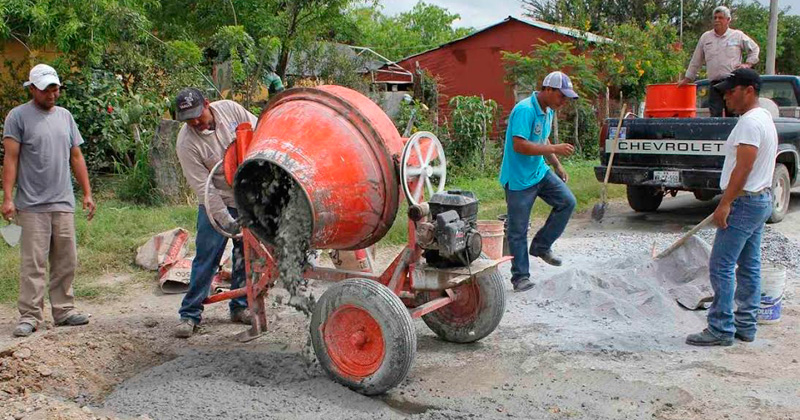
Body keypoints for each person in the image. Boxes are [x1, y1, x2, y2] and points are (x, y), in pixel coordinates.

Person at [2, 64, 95, 337]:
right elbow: (11, 159)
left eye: (55, 89)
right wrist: (8, 198)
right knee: (33, 263)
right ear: (32, 89)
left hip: (63, 201)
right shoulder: (18, 117)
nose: (52, 94)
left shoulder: (65, 116)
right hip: (31, 204)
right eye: (46, 90)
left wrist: (87, 193)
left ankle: (64, 310)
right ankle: (30, 315)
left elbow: (76, 156)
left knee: (66, 260)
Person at [686, 68, 776, 346]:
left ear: (749, 91)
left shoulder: (750, 123)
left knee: (721, 265)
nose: (726, 97)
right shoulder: (763, 117)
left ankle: (721, 328)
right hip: (759, 199)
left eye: (731, 91)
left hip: (744, 201)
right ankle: (745, 326)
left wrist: (725, 203)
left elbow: (744, 168)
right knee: (749, 265)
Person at [173, 88, 258, 338]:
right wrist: (227, 221)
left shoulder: (231, 110)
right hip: (216, 200)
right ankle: (190, 314)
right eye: (188, 119)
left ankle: (239, 307)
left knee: (245, 254)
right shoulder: (186, 144)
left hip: (246, 195)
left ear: (207, 104)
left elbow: (259, 132)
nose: (195, 123)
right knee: (207, 258)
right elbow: (205, 189)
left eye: (198, 115)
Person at [499, 71, 578, 293]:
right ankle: (520, 277)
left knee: (567, 202)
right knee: (517, 229)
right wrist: (555, 149)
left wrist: (556, 164)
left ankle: (541, 246)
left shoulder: (548, 111)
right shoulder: (525, 110)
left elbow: (542, 138)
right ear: (548, 90)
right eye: (561, 96)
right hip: (518, 178)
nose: (563, 101)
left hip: (539, 172)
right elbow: (519, 145)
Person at [678, 5, 760, 117]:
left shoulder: (737, 35)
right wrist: (687, 79)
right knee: (715, 115)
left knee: (733, 115)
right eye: (715, 18)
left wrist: (748, 64)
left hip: (732, 83)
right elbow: (696, 60)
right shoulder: (706, 37)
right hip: (715, 84)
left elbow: (754, 49)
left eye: (720, 18)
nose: (717, 20)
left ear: (728, 20)